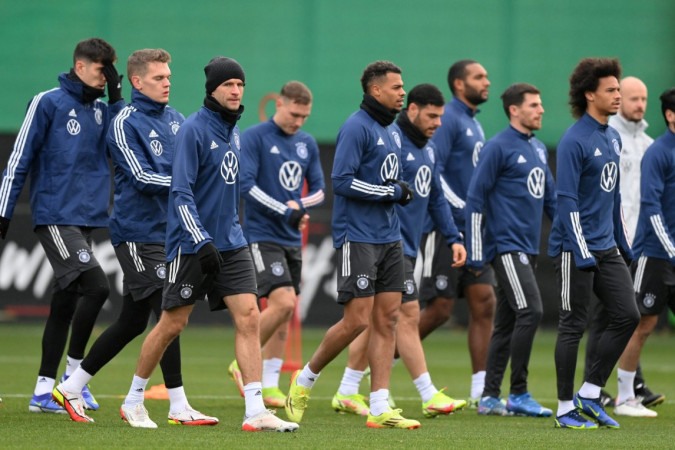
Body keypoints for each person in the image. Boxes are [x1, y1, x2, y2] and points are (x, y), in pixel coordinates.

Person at [117, 56, 298, 432]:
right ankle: (133, 400)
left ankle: (255, 410)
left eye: (240, 85)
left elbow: (229, 193)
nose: (235, 91)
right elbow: (180, 194)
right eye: (228, 85)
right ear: (212, 89)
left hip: (231, 242)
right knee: (172, 324)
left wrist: (230, 233)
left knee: (249, 316)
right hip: (191, 244)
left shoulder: (233, 130)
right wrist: (199, 240)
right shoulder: (193, 130)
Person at [51, 48, 216, 426]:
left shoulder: (177, 120)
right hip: (137, 235)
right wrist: (186, 187)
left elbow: (191, 172)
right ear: (137, 81)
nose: (167, 83)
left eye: (169, 77)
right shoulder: (124, 121)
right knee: (170, 314)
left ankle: (71, 386)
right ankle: (174, 405)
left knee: (132, 322)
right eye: (159, 78)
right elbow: (142, 178)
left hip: (170, 235)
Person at [285, 60, 420, 429]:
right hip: (359, 236)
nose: (402, 92)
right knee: (357, 320)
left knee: (388, 318)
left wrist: (398, 192)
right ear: (376, 90)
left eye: (402, 86)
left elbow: (391, 180)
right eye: (396, 87)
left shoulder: (391, 130)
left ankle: (378, 406)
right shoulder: (356, 127)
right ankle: (305, 378)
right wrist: (391, 191)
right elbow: (341, 181)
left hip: (390, 237)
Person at [0, 37, 124, 414]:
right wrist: (3, 214)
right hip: (55, 216)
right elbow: (19, 158)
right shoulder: (47, 102)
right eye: (103, 71)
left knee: (65, 301)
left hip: (86, 219)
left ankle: (43, 390)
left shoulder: (103, 112)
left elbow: (121, 148)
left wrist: (117, 101)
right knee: (97, 286)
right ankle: (73, 382)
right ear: (81, 66)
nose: (106, 78)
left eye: (111, 73)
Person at [331, 83, 468, 419]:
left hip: (404, 246)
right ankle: (427, 393)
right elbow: (358, 185)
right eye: (431, 116)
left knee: (383, 320)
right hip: (383, 242)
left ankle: (349, 390)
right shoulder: (393, 141)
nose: (437, 123)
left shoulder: (430, 150)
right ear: (413, 111)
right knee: (403, 316)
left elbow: (435, 197)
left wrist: (453, 237)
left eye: (440, 117)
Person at [548, 57, 639, 430]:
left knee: (628, 315)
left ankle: (589, 392)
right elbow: (566, 199)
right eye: (611, 90)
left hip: (606, 246)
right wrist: (582, 248)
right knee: (573, 324)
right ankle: (565, 407)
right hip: (574, 248)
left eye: (619, 89)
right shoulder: (574, 140)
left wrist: (622, 243)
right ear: (589, 94)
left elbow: (612, 197)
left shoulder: (612, 136)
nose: (618, 95)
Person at [465, 83, 556, 417]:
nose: (541, 109)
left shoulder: (539, 149)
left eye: (540, 104)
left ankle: (490, 397)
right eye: (534, 104)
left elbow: (552, 199)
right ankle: (518, 393)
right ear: (514, 110)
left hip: (527, 248)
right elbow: (475, 200)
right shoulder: (498, 147)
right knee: (530, 311)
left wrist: (572, 238)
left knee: (505, 323)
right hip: (506, 246)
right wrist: (476, 253)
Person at [232, 81, 324, 407]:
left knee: (286, 312)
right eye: (295, 113)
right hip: (261, 234)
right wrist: (286, 210)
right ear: (279, 105)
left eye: (305, 116)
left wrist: (300, 208)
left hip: (290, 237)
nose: (298, 122)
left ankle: (270, 383)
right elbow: (246, 186)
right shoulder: (255, 137)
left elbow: (319, 190)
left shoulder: (307, 143)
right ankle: (245, 358)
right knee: (283, 303)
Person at [418, 59, 496, 406]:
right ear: (460, 85)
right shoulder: (448, 118)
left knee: (484, 302)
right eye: (480, 77)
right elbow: (434, 173)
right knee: (440, 309)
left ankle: (482, 389)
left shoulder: (474, 124)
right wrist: (462, 210)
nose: (487, 82)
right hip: (446, 228)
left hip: (474, 232)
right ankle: (382, 362)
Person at [585, 76, 663, 408]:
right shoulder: (607, 138)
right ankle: (597, 386)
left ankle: (633, 384)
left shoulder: (648, 145)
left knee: (631, 315)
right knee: (607, 314)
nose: (639, 104)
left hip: (640, 244)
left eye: (643, 98)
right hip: (610, 241)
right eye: (633, 98)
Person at [613, 87, 675, 417]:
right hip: (654, 253)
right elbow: (651, 207)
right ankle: (625, 397)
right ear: (670, 115)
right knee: (643, 323)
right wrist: (671, 251)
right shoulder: (658, 153)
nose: (640, 105)